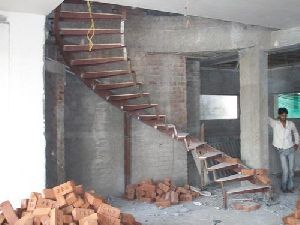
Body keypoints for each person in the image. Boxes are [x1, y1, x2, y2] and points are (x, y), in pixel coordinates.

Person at [269, 107, 299, 193]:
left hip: (291, 149)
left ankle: (290, 187)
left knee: (291, 170)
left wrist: (297, 143)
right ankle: (284, 187)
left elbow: (296, 133)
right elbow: (265, 118)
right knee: (285, 171)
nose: (284, 117)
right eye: (282, 115)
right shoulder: (275, 123)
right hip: (281, 151)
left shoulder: (291, 124)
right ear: (279, 115)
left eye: (285, 115)